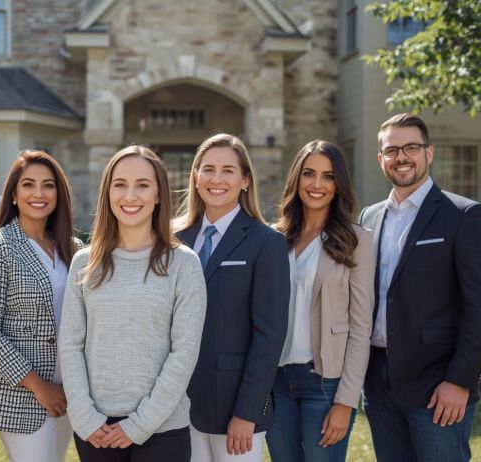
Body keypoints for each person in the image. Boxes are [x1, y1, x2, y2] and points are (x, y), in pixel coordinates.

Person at [360, 113, 481, 461]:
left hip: (437, 384)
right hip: (378, 382)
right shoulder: (369, 218)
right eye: (392, 150)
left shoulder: (463, 215)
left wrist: (460, 381)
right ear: (381, 159)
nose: (401, 157)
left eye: (411, 147)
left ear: (429, 153)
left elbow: (480, 307)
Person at [59, 146, 207, 461]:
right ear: (107, 193)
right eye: (120, 184)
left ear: (158, 195)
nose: (130, 195)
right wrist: (84, 416)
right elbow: (71, 344)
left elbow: (184, 353)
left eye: (142, 185)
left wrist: (138, 425)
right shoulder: (85, 262)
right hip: (96, 428)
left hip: (163, 429)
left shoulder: (184, 264)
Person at [175, 133, 289, 462]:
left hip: (234, 407)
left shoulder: (266, 242)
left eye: (228, 170)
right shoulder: (173, 239)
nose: (216, 179)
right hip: (176, 403)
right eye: (208, 169)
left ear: (245, 180)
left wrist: (248, 413)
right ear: (195, 176)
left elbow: (270, 336)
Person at [265, 140, 374, 461]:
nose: (317, 184)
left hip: (325, 384)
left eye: (328, 176)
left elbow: (360, 325)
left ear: (338, 184)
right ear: (296, 179)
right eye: (309, 173)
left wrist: (346, 401)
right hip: (277, 383)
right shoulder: (274, 237)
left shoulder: (357, 239)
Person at [0, 150, 81, 461]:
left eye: (48, 185)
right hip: (22, 394)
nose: (39, 193)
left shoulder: (75, 250)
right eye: (29, 185)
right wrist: (38, 385)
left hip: (70, 392)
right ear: (14, 194)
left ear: (59, 193)